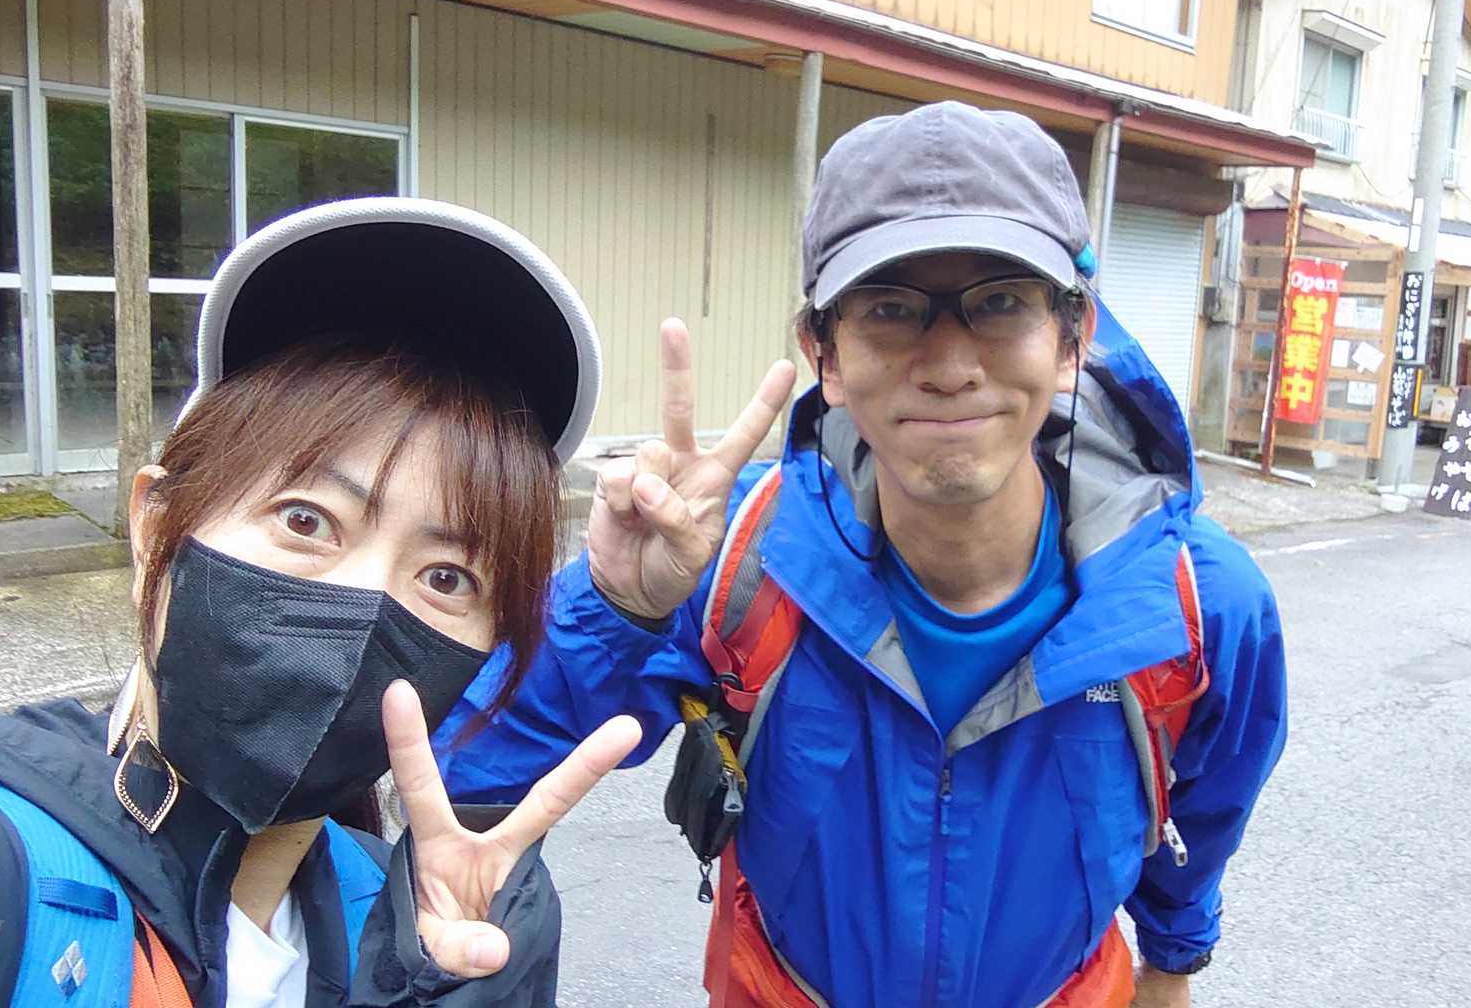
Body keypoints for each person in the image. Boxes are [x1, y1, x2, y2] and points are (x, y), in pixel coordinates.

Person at [437, 102, 1288, 1008]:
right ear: (826, 356)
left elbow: (1203, 809)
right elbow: (466, 772)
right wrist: (617, 606)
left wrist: (1173, 959)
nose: (950, 366)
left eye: (1001, 301)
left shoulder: (1197, 602)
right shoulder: (729, 558)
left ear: (1072, 337)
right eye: (891, 309)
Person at [0, 198, 641, 1006]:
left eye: (446, 577)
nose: (363, 603)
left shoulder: (413, 930)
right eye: (306, 520)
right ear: (156, 527)